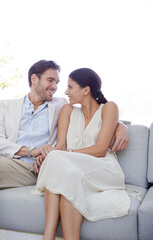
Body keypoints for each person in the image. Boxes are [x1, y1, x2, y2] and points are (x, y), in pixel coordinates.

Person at [0, 60, 129, 240]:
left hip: (37, 168)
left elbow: (100, 113)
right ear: (34, 79)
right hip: (11, 164)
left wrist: (121, 126)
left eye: (58, 82)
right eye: (51, 81)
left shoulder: (60, 105)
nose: (56, 87)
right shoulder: (6, 106)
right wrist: (30, 150)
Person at [34, 68, 131, 240]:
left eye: (70, 87)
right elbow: (60, 147)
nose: (65, 91)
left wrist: (62, 156)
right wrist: (47, 155)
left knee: (60, 166)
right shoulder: (68, 111)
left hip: (103, 168)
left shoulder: (108, 108)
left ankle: (47, 237)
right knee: (67, 183)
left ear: (86, 90)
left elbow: (100, 150)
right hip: (72, 171)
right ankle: (51, 236)